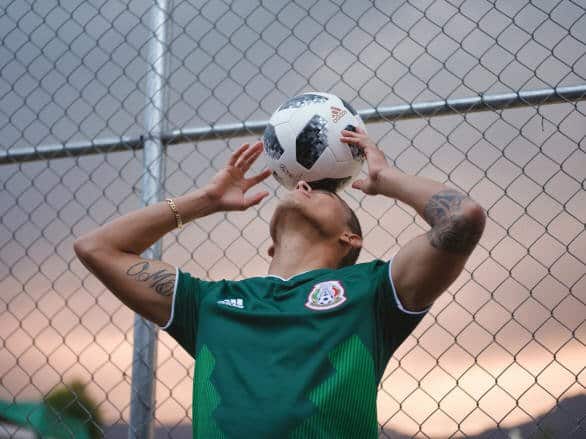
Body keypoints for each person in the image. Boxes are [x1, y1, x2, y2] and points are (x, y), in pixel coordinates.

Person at [74, 127, 486, 438]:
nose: (304, 182)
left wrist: (386, 177)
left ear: (350, 238)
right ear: (270, 247)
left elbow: (463, 217)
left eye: (325, 193)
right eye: (300, 182)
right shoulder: (211, 303)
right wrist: (205, 200)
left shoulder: (373, 293)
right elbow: (96, 248)